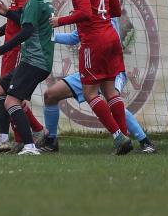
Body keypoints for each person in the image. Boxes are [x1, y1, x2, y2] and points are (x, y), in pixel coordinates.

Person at [49, 0, 132, 155]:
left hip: (94, 42)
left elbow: (85, 13)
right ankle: (124, 136)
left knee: (89, 92)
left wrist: (60, 20)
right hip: (112, 39)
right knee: (110, 90)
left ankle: (117, 135)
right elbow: (115, 10)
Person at [40, 17, 156, 153]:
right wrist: (48, 35)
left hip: (111, 70)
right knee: (51, 95)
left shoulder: (104, 13)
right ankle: (51, 141)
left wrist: (63, 20)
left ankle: (145, 142)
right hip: (91, 69)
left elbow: (106, 39)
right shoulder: (89, 8)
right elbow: (74, 37)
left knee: (111, 101)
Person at [0, 0, 55, 156]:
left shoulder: (34, 2)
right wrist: (6, 12)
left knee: (11, 101)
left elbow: (26, 31)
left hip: (34, 62)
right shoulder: (43, 0)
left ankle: (30, 145)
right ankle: (3, 138)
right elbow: (23, 18)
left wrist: (0, 50)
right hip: (37, 61)